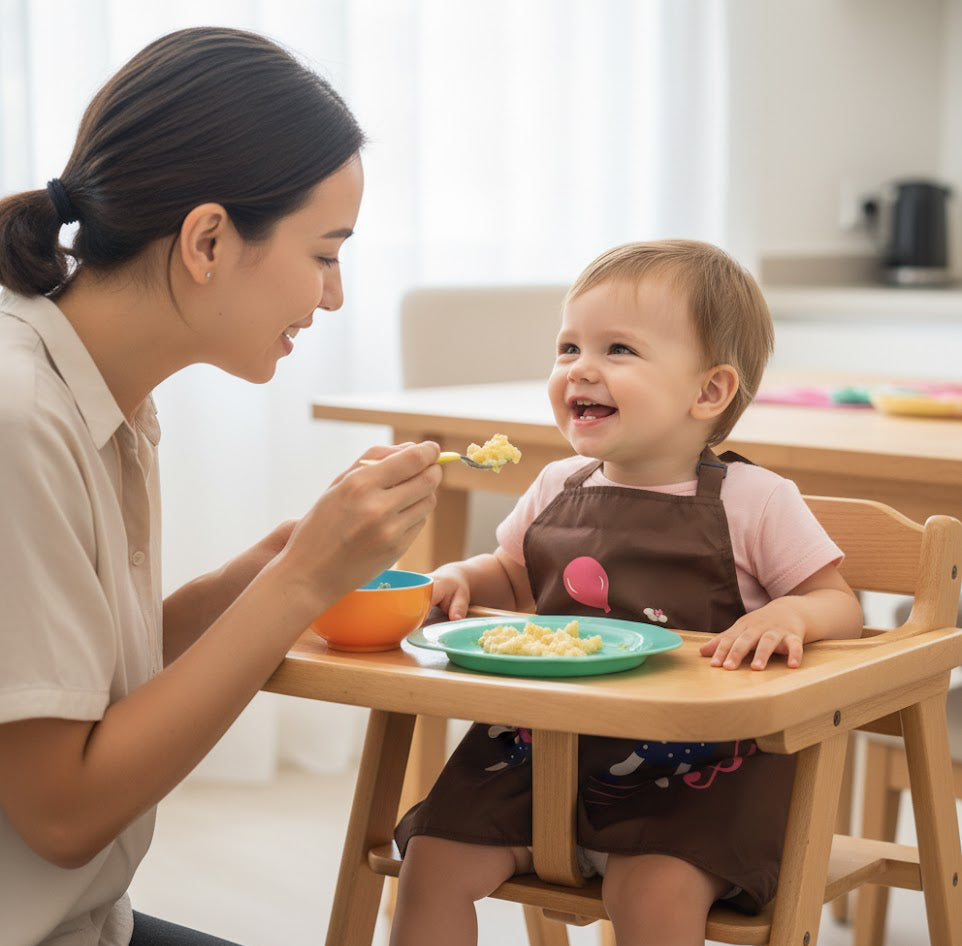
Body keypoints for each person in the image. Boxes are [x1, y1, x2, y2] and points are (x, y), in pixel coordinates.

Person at [0, 26, 442, 946]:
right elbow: (62, 814)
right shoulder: (22, 419)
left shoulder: (102, 393)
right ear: (207, 239)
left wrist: (261, 572)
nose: (333, 297)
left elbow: (69, 692)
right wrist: (301, 583)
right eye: (324, 254)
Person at [389, 240, 864, 946]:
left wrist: (792, 613)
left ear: (709, 392)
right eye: (568, 347)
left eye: (618, 350)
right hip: (537, 748)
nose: (579, 368)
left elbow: (841, 605)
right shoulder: (557, 485)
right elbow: (514, 575)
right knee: (430, 864)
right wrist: (462, 578)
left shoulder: (756, 499)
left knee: (652, 893)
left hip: (696, 770)